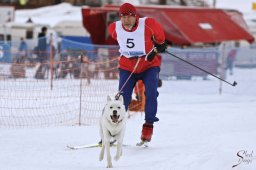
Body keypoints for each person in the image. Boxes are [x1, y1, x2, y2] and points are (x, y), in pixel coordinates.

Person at [108, 3, 167, 143]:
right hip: (128, 67)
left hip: (148, 66)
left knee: (151, 93)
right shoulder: (114, 28)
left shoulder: (149, 24)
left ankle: (148, 126)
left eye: (129, 16)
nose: (126, 20)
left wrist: (154, 52)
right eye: (123, 17)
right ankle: (114, 131)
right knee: (123, 98)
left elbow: (162, 44)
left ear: (135, 16)